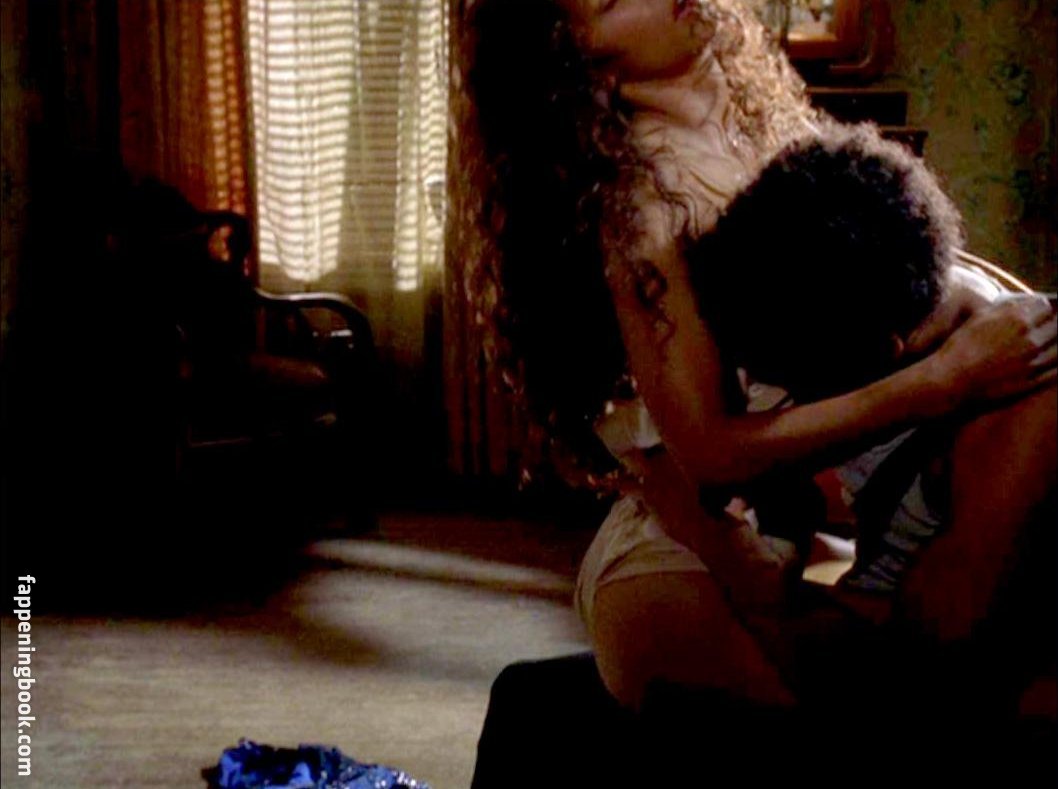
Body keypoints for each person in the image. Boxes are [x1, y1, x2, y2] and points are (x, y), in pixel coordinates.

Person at [465, 0, 1057, 711]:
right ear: (575, 56)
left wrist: (986, 310)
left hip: (789, 525)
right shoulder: (645, 207)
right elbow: (709, 457)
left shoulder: (763, 119)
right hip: (687, 553)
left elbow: (891, 271)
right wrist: (944, 379)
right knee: (905, 709)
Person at [685, 126, 1056, 714]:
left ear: (882, 352)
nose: (796, 403)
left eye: (801, 382)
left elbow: (919, 666)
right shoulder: (908, 285)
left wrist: (738, 571)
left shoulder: (1020, 408)